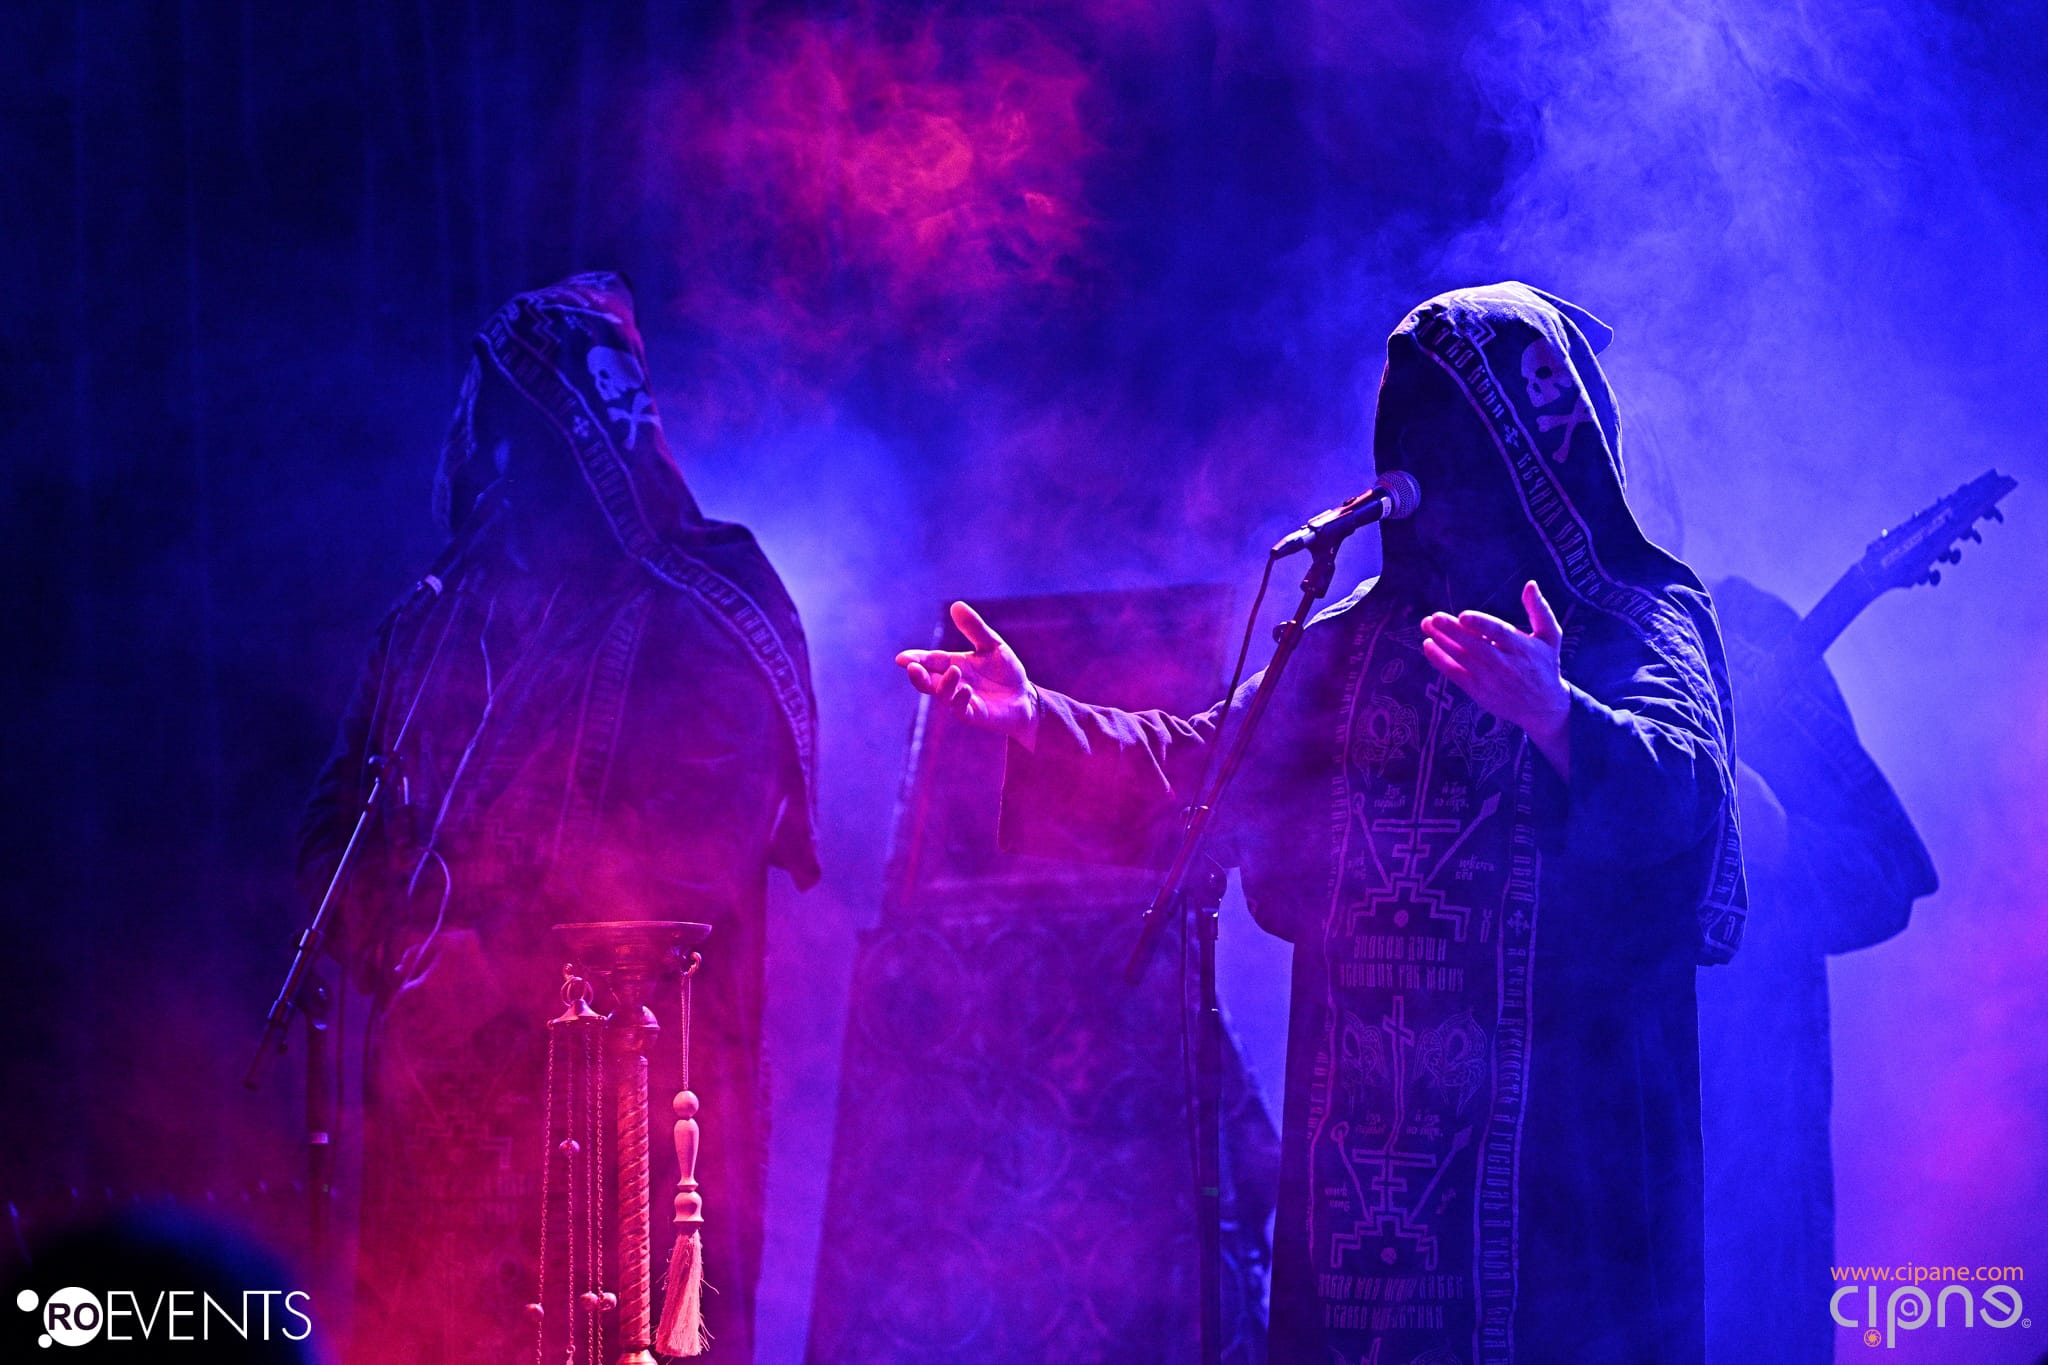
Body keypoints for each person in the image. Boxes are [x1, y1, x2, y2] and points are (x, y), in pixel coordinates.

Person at [895, 283, 1746, 1364]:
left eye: (1442, 419)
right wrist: (1036, 717)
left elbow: (1688, 799)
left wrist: (1557, 716)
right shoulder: (1347, 636)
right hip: (1365, 1160)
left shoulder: (1631, 613)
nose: (1414, 449)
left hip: (1559, 1151)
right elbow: (1205, 767)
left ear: (1523, 441)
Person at [297, 272, 818, 1364]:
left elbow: (689, 865)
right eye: (488, 436)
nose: (494, 467)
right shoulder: (431, 623)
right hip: (435, 1124)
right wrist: (402, 955)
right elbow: (332, 829)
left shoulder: (702, 610)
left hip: (622, 1119)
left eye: (519, 436)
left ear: (580, 439)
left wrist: (489, 974)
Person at [1698, 576, 1937, 1363]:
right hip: (1577, 1157)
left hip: (1745, 1159)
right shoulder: (1522, 634)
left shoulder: (1746, 629)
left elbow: (1884, 871)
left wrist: (1781, 841)